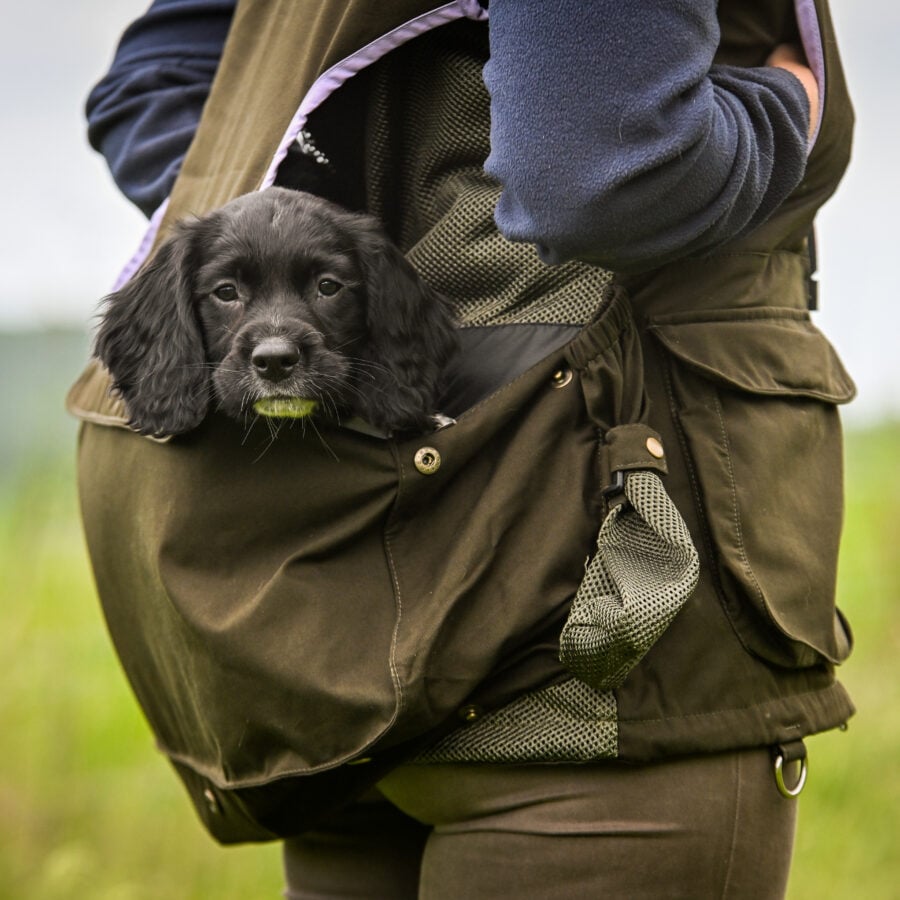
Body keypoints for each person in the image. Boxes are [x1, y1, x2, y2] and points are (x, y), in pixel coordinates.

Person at [78, 1, 856, 897]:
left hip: (331, 657)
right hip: (581, 650)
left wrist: (345, 254)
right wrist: (787, 105)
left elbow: (158, 81)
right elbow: (599, 173)